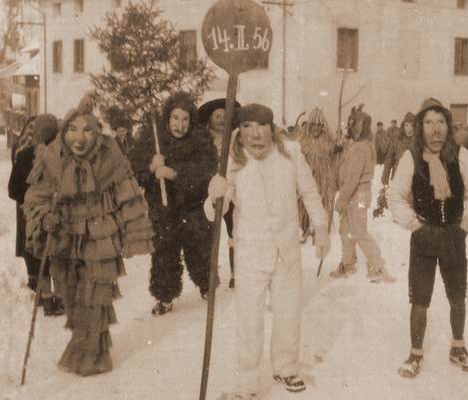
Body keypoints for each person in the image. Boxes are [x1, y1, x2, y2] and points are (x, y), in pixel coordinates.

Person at [23, 96, 154, 376]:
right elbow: (35, 198)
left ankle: (94, 356)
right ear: (63, 131)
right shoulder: (52, 157)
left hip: (100, 239)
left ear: (97, 134)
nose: (79, 138)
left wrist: (135, 234)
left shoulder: (110, 158)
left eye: (87, 131)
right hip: (65, 238)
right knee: (72, 297)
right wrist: (45, 217)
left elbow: (128, 196)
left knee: (95, 296)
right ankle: (82, 347)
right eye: (72, 130)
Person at [205, 104, 329, 397]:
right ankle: (248, 379)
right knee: (249, 319)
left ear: (272, 130)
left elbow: (310, 192)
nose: (255, 135)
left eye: (261, 127)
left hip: (287, 251)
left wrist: (321, 228)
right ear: (240, 132)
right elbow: (216, 211)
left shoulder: (291, 153)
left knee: (288, 312)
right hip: (250, 254)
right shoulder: (232, 159)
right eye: (247, 127)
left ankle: (286, 367)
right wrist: (214, 195)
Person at [388, 98, 468, 378]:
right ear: (420, 127)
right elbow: (396, 196)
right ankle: (415, 354)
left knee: (458, 296)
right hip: (424, 237)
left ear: (448, 126)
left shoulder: (461, 155)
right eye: (429, 123)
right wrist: (416, 226)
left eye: (441, 122)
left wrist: (464, 225)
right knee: (420, 299)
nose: (436, 129)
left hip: (454, 236)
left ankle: (458, 347)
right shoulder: (411, 157)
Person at [130, 92, 218, 314]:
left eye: (185, 119)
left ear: (191, 120)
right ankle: (165, 296)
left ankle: (206, 284)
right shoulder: (153, 140)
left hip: (192, 207)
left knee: (199, 247)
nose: (180, 125)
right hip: (163, 209)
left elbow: (206, 172)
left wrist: (174, 173)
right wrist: (152, 167)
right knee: (164, 253)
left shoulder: (200, 140)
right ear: (167, 118)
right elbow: (135, 172)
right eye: (175, 118)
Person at [329, 105, 395, 282]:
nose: (349, 130)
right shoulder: (358, 145)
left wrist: (341, 198)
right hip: (355, 193)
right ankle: (348, 263)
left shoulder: (360, 148)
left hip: (357, 194)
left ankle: (377, 265)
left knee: (358, 230)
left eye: (352, 126)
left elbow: (353, 178)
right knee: (345, 229)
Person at [8, 114, 64, 316]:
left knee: (40, 254)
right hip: (55, 214)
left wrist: (31, 198)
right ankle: (59, 299)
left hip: (33, 216)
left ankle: (47, 300)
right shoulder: (63, 155)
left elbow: (13, 190)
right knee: (57, 254)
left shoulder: (25, 155)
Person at [198, 98, 240, 288]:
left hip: (230, 189)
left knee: (235, 230)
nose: (222, 120)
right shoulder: (202, 141)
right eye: (217, 116)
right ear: (209, 120)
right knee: (208, 234)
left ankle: (235, 273)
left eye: (225, 116)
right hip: (208, 191)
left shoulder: (236, 139)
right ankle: (209, 275)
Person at [295, 108, 340, 244]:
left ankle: (319, 231)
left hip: (323, 181)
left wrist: (338, 149)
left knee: (321, 204)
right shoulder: (302, 141)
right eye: (313, 124)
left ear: (323, 126)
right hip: (306, 180)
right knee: (303, 204)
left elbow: (336, 158)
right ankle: (304, 228)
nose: (316, 128)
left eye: (319, 125)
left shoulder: (328, 142)